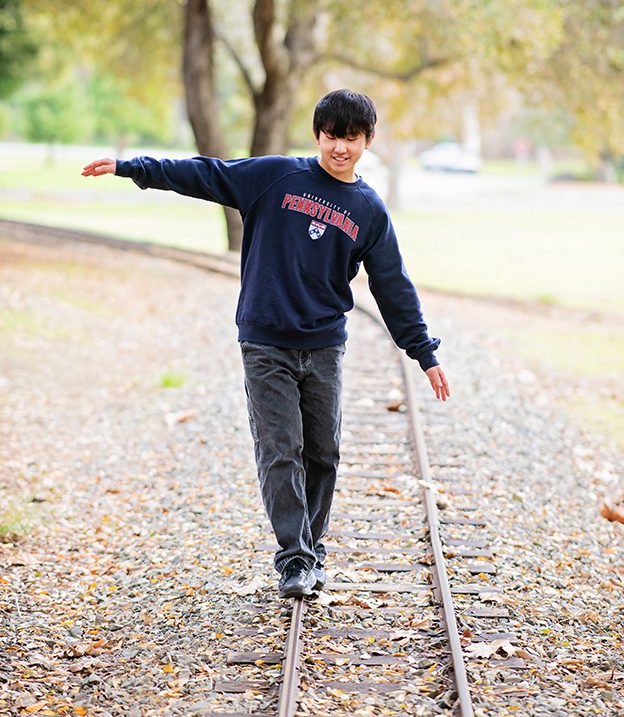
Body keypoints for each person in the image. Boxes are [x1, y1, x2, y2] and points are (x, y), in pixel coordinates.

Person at [81, 89, 450, 599]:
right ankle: (294, 559)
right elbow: (204, 174)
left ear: (367, 140)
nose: (339, 147)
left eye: (350, 137)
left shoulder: (368, 209)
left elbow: (392, 285)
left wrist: (423, 352)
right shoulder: (275, 176)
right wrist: (130, 167)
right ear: (316, 134)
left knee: (323, 452)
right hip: (265, 342)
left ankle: (312, 547)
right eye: (330, 135)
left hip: (324, 346)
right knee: (281, 450)